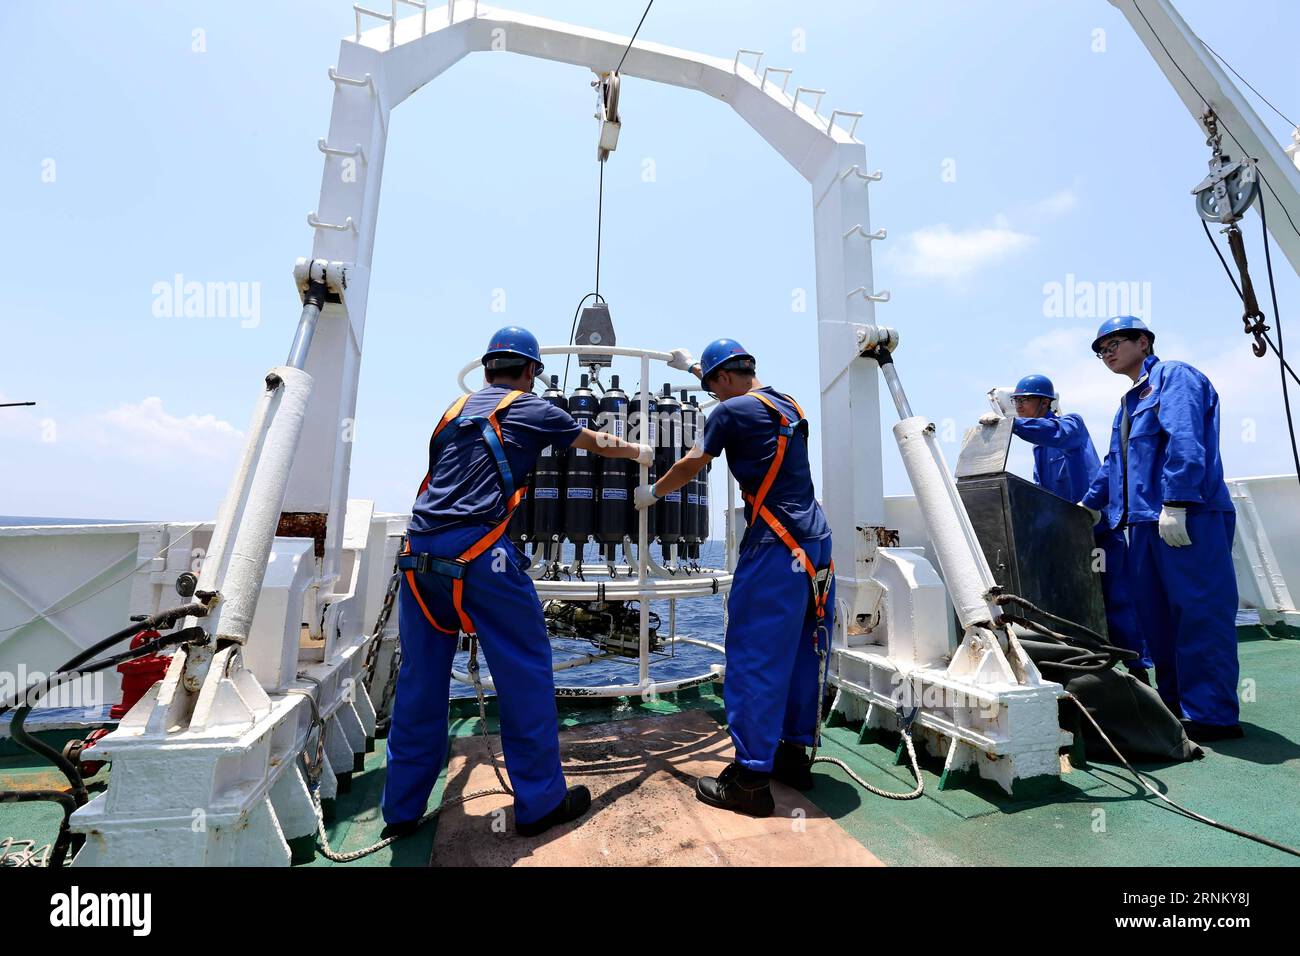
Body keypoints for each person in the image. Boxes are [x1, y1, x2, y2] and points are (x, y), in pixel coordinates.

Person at [381, 326, 653, 837]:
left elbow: (444, 478)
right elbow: (596, 442)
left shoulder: (449, 413)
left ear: (486, 369)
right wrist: (640, 453)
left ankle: (401, 811)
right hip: (482, 556)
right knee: (525, 675)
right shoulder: (533, 408)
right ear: (530, 372)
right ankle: (540, 803)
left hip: (418, 556)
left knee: (420, 684)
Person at [636, 339, 835, 816]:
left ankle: (748, 780)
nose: (714, 397)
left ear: (723, 380)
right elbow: (740, 402)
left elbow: (692, 462)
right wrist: (696, 370)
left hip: (774, 545)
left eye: (712, 386)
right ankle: (792, 756)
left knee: (754, 655)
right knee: (804, 650)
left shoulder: (728, 412)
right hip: (816, 545)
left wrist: (653, 493)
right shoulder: (786, 404)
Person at [1080, 316, 1242, 742]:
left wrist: (1178, 500)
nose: (1107, 353)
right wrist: (1088, 507)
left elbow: (1185, 439)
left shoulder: (1175, 376)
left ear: (1143, 341)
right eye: (1101, 350)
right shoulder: (1127, 403)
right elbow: (1113, 465)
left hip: (1188, 516)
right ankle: (1175, 707)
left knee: (1199, 614)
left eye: (1114, 343)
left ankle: (1212, 716)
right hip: (1143, 526)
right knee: (1157, 619)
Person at [980, 373, 1151, 680]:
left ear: (1045, 402)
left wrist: (1010, 425)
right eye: (1015, 401)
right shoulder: (1039, 449)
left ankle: (1139, 668)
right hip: (1066, 537)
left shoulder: (1070, 425)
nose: (1018, 406)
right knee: (1074, 602)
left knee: (1118, 599)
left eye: (1024, 400)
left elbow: (1052, 433)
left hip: (1097, 533)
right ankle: (1090, 665)